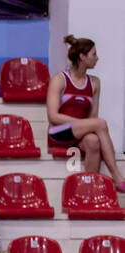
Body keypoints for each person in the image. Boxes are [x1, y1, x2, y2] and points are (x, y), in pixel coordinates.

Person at [47, 35, 125, 191]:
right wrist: (80, 123)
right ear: (82, 57)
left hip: (80, 133)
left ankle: (89, 191)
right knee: (100, 123)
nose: (97, 58)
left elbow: (92, 118)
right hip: (59, 132)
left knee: (93, 141)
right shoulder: (59, 79)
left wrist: (85, 125)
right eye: (94, 54)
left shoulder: (95, 82)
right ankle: (117, 176)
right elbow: (53, 116)